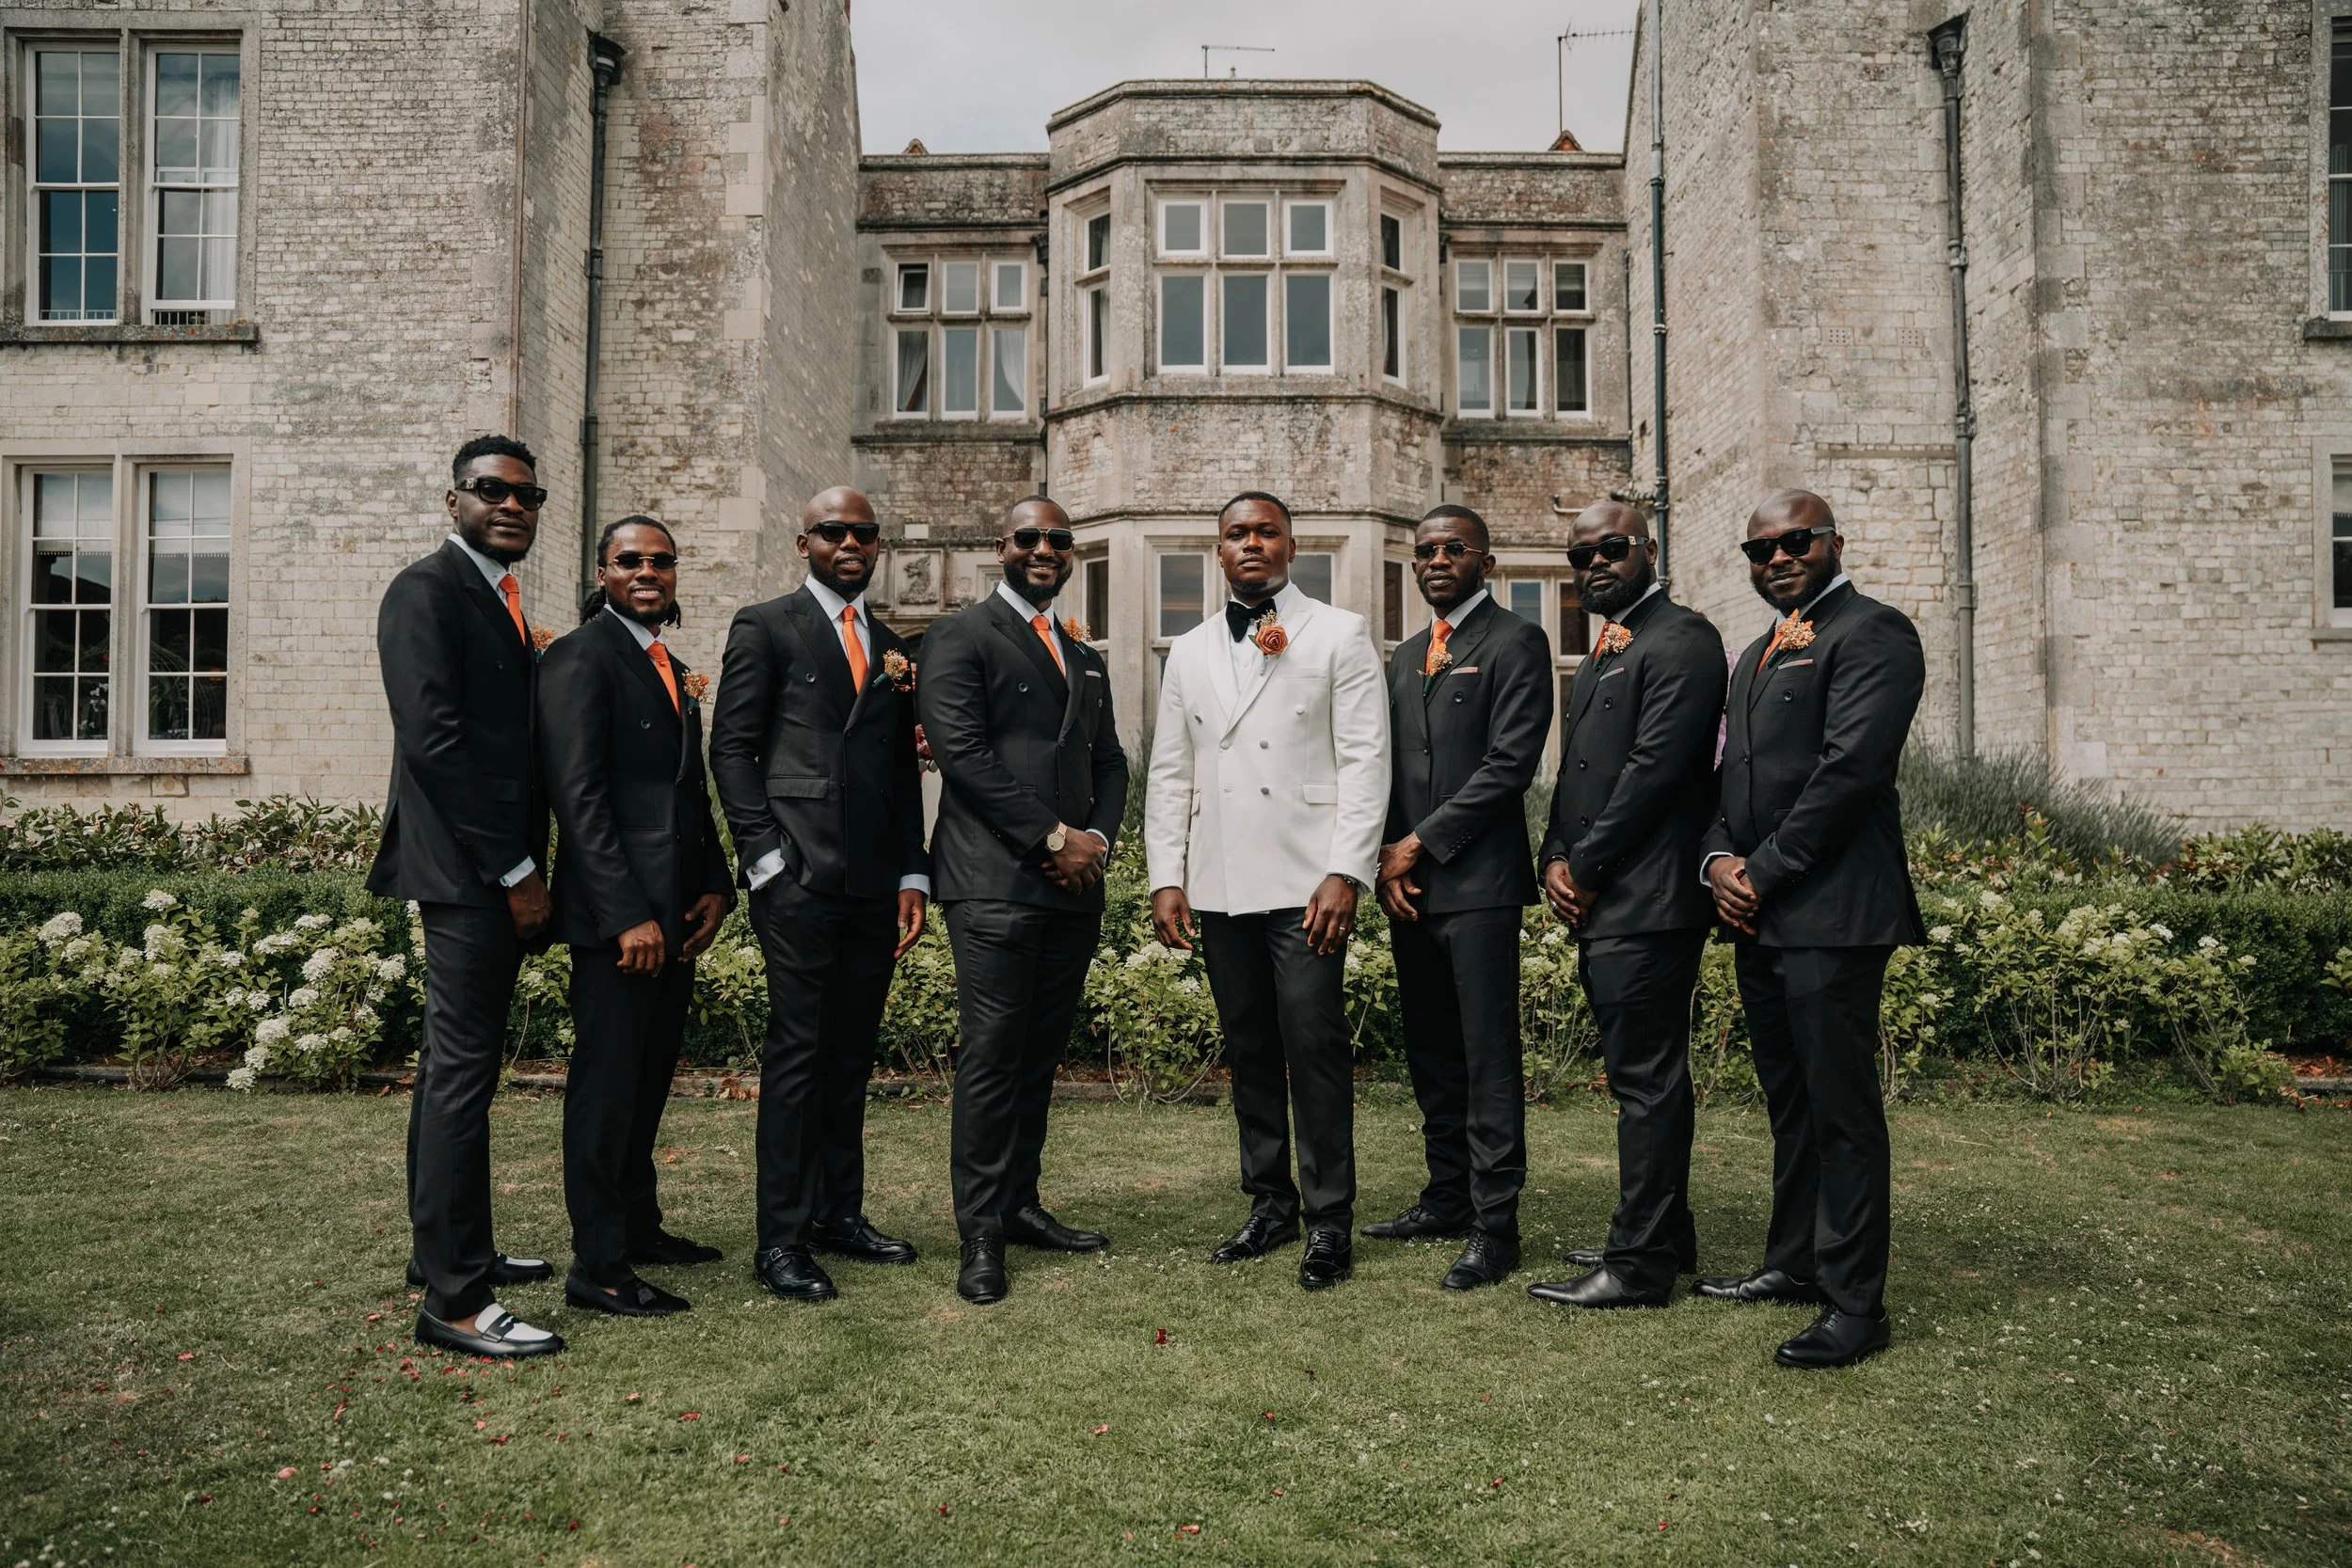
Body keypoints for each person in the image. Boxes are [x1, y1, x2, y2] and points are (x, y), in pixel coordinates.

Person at [1699, 488, 1926, 1370]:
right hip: (1758, 914)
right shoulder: (1755, 652)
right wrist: (1719, 860)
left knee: (1841, 1109)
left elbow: (1849, 773)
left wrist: (1761, 871)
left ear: (1836, 541)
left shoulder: (1875, 633)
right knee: (1790, 1101)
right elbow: (1734, 778)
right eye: (1760, 550)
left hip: (1833, 913)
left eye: (1796, 541)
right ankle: (1793, 1262)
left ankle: (1855, 1302)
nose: (1778, 558)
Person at [1145, 492, 1390, 1291]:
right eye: (1236, 534)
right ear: (1217, 551)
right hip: (1220, 880)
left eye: (1266, 531)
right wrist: (1167, 874)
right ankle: (1270, 1202)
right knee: (1249, 1045)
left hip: (1307, 880)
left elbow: (1366, 761)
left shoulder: (1340, 632)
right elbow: (1170, 771)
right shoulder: (1187, 651)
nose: (1251, 543)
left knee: (1313, 1046)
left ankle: (1330, 1219)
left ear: (1292, 544)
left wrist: (1347, 870)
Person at [707, 487, 931, 1304]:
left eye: (864, 533)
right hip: (796, 879)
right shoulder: (765, 626)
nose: (850, 542)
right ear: (804, 542)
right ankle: (782, 1237)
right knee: (800, 1054)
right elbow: (731, 749)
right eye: (833, 531)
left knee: (850, 1054)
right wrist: (764, 858)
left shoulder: (892, 645)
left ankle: (840, 1214)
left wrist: (912, 872)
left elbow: (900, 770)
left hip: (874, 885)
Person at [371, 435, 561, 1358]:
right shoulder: (425, 592)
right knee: (460, 1074)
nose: (513, 504)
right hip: (467, 871)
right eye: (492, 490)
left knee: (454, 1067)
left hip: (480, 868)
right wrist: (516, 871)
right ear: (455, 501)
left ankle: (446, 1249)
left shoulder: (498, 598)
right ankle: (454, 1300)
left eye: (528, 494)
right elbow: (435, 743)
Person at [916, 495, 1128, 1306]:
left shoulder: (1082, 654)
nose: (1045, 549)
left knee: (1040, 1053)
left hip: (1073, 887)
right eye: (1030, 537)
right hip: (993, 880)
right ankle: (980, 1232)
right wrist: (1051, 837)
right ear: (1001, 546)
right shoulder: (960, 636)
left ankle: (1020, 1202)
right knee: (993, 1053)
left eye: (1059, 540)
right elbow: (963, 753)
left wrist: (1095, 841)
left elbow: (1109, 762)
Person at [1523, 500, 1726, 1312]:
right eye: (1580, 555)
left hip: (1649, 900)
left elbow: (1655, 772)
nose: (1594, 564)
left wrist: (1587, 866)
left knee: (1646, 1083)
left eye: (1611, 547)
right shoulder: (1608, 647)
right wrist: (1553, 854)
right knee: (1639, 1075)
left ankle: (1639, 1263)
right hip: (1607, 896)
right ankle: (1667, 1235)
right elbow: (1577, 772)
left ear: (1650, 548)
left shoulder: (1684, 640)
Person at [538, 516, 734, 1319]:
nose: (647, 571)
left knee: (649, 1082)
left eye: (661, 560)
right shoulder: (580, 657)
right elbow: (577, 796)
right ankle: (600, 1266)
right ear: (602, 573)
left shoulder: (673, 668)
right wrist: (625, 916)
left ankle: (639, 1226)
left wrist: (715, 884)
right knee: (607, 1090)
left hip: (674, 912)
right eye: (630, 560)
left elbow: (688, 791)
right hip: (618, 923)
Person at [1367, 503, 1552, 1291]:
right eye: (1426, 551)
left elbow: (1509, 765)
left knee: (1486, 1057)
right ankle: (1445, 1196)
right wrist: (1388, 861)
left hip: (1479, 884)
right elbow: (1383, 767)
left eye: (1454, 548)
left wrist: (1418, 844)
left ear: (1487, 561)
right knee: (1432, 1052)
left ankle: (1494, 1224)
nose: (1437, 560)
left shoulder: (1517, 641)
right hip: (1410, 889)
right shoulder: (1407, 655)